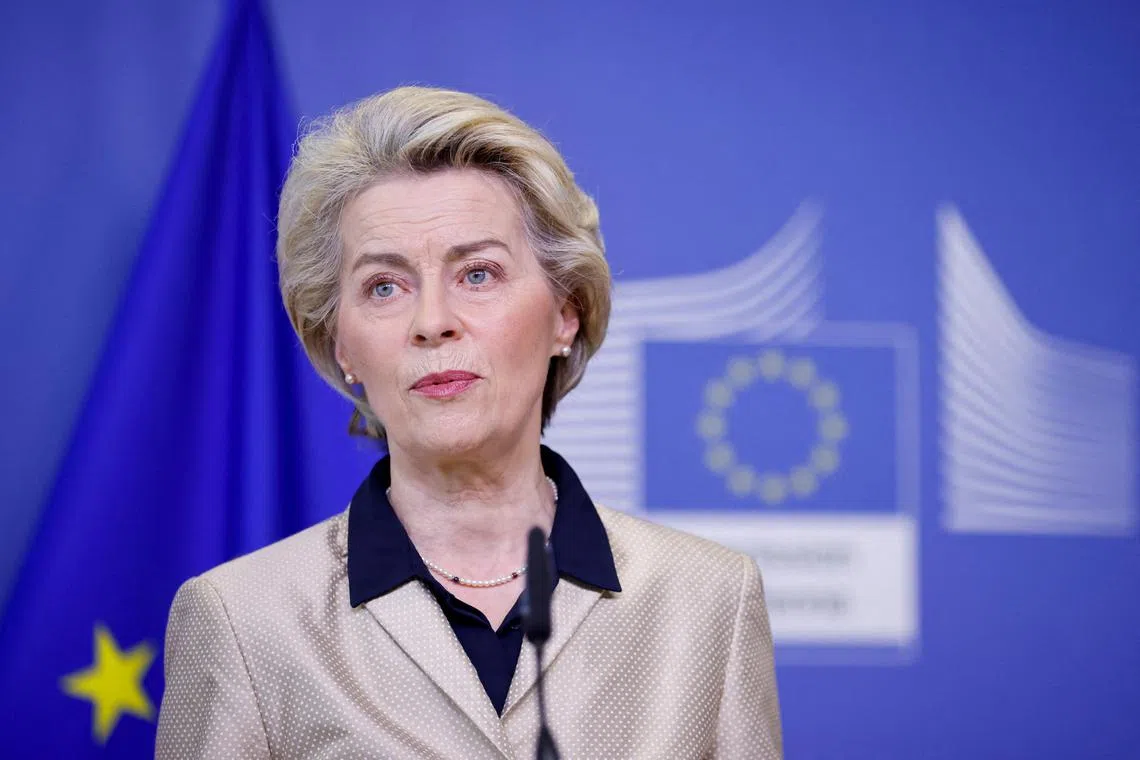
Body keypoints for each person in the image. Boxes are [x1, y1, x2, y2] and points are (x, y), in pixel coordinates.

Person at [156, 86, 782, 759]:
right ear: (341, 344)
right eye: (384, 286)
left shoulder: (708, 601)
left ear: (565, 312)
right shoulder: (244, 620)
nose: (432, 322)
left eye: (478, 274)